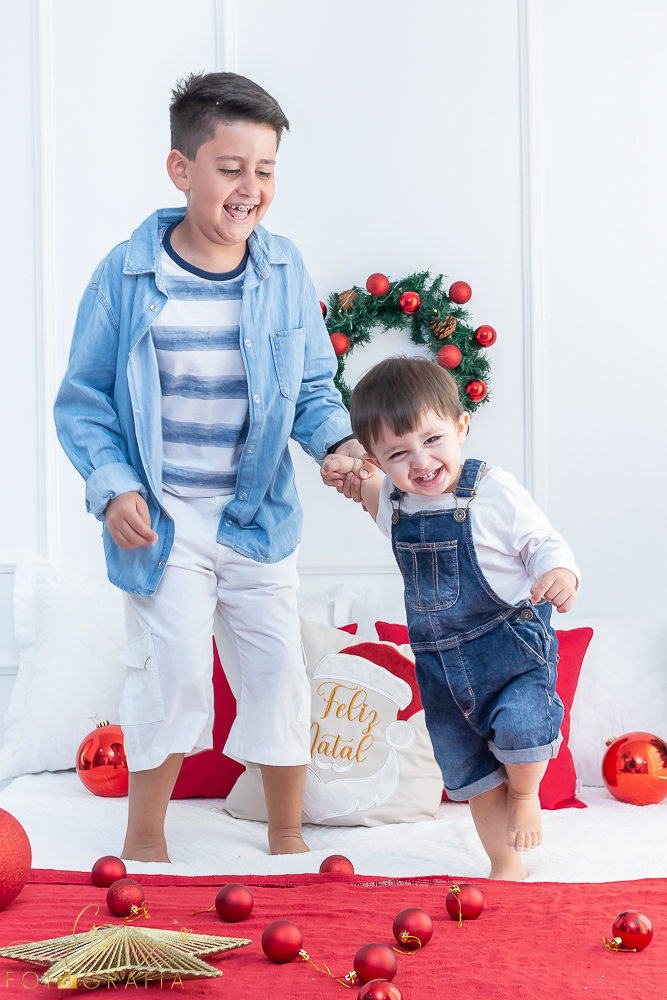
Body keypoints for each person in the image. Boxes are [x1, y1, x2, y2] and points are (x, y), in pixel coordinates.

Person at [54, 72, 370, 863]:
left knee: (276, 670)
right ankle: (146, 836)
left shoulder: (283, 269)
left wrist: (337, 445)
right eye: (230, 168)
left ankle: (288, 837)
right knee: (177, 673)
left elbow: (308, 387)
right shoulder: (124, 276)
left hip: (256, 513)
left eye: (264, 171)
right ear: (181, 169)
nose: (249, 189)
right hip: (164, 519)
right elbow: (83, 399)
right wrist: (113, 486)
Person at [321, 356, 579, 880]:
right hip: (440, 667)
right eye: (399, 453)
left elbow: (541, 541)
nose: (421, 462)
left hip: (509, 645)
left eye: (433, 440)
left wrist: (560, 572)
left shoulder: (492, 490)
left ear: (462, 426)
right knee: (471, 772)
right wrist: (346, 472)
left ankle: (527, 794)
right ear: (379, 459)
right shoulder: (394, 502)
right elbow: (364, 489)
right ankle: (503, 862)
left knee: (523, 726)